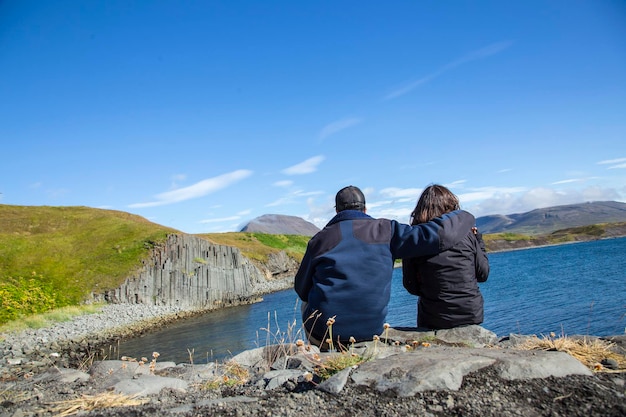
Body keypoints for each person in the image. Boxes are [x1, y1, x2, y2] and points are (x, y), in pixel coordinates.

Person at [294, 185, 476, 348]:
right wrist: (463, 216)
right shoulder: (387, 230)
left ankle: (318, 352)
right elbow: (434, 235)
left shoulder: (319, 240)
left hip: (327, 333)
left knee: (306, 303)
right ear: (365, 209)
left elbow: (301, 289)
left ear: (337, 210)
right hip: (370, 330)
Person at [402, 184, 490, 330]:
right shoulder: (467, 235)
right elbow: (483, 274)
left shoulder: (416, 239)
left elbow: (411, 286)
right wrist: (478, 240)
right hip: (470, 314)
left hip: (433, 317)